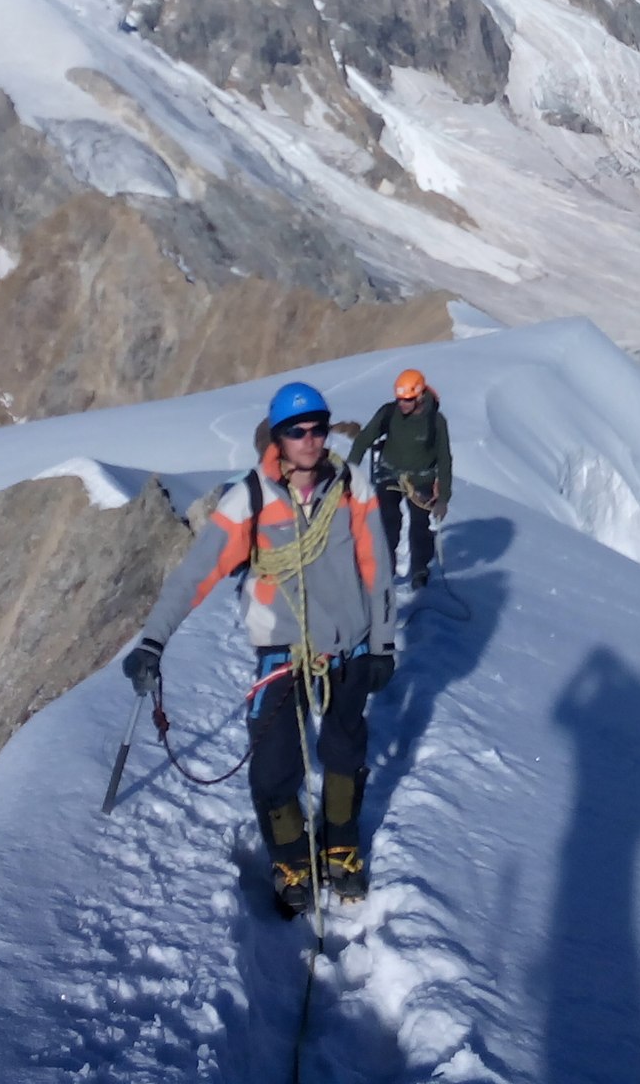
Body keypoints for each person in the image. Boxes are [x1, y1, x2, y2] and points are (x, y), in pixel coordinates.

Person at [123, 381, 397, 915]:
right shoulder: (249, 497)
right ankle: (292, 860)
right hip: (281, 651)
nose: (311, 440)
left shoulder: (350, 486)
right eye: (298, 431)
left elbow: (378, 568)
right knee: (274, 769)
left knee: (345, 752)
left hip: (350, 646)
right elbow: (196, 573)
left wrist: (383, 643)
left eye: (318, 428)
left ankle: (341, 848)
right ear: (279, 437)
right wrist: (153, 639)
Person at [356, 367, 452, 591]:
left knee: (420, 524)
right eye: (400, 399)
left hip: (421, 480)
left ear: (419, 396)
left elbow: (444, 458)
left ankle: (420, 569)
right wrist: (350, 468)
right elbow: (364, 439)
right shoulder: (389, 413)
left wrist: (443, 498)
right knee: (387, 521)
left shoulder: (436, 422)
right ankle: (384, 568)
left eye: (408, 400)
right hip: (390, 475)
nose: (403, 404)